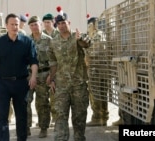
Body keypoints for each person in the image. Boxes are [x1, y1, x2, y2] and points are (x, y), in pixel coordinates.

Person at [0, 13, 38, 141]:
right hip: (3, 84)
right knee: (3, 117)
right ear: (6, 26)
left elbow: (34, 61)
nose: (15, 27)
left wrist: (33, 77)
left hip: (21, 84)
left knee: (21, 116)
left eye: (17, 24)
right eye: (12, 24)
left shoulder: (27, 42)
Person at [47, 11, 91, 141]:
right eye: (59, 23)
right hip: (61, 86)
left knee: (79, 116)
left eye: (64, 23)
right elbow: (53, 62)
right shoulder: (54, 42)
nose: (61, 26)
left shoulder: (77, 37)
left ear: (69, 23)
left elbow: (87, 43)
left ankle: (79, 138)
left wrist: (81, 39)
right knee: (60, 115)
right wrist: (52, 78)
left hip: (78, 85)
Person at [86, 17, 123, 126]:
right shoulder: (101, 35)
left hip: (96, 69)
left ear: (93, 25)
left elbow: (95, 51)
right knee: (102, 94)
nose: (88, 28)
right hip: (102, 69)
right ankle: (103, 117)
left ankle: (98, 118)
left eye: (89, 25)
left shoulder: (97, 35)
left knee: (95, 93)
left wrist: (86, 52)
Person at [27, 16, 51, 138]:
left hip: (44, 75)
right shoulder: (26, 41)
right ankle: (25, 127)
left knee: (42, 103)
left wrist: (51, 76)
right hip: (29, 75)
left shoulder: (49, 40)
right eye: (31, 25)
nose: (34, 27)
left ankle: (43, 127)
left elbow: (54, 60)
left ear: (40, 25)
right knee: (25, 101)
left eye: (36, 24)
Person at [42, 13, 59, 126]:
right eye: (45, 22)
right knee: (43, 98)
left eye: (48, 22)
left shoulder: (58, 34)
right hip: (43, 71)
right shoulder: (41, 35)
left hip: (56, 70)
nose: (47, 24)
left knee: (55, 96)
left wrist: (52, 75)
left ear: (53, 22)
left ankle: (55, 118)